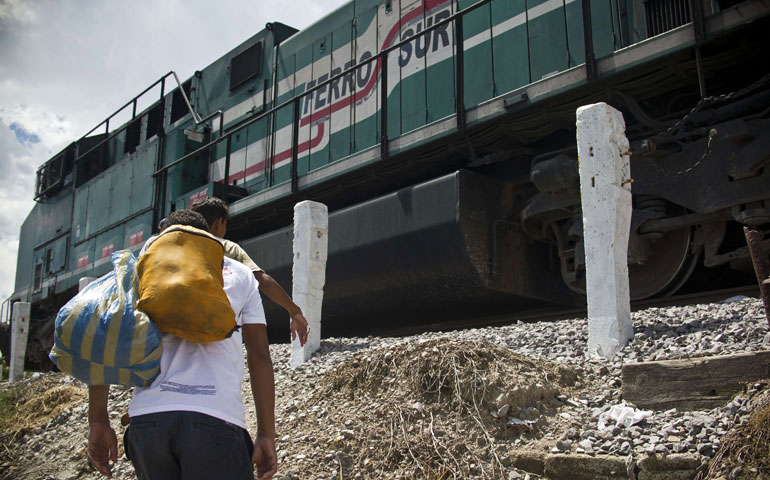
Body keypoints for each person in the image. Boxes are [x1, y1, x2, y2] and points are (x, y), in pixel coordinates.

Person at [87, 209, 277, 480]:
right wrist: (266, 433)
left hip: (148, 419)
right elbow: (259, 355)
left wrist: (98, 419)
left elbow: (103, 337)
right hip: (216, 418)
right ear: (209, 238)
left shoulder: (139, 271)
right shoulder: (240, 274)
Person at [191, 197, 309, 346]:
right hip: (216, 333)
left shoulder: (178, 246)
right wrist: (294, 311)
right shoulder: (227, 247)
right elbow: (263, 282)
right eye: (225, 224)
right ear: (217, 223)